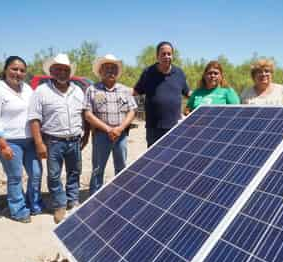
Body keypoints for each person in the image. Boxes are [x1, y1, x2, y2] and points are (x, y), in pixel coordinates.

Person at [0, 56, 43, 223]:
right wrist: (2, 145)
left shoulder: (27, 89)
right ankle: (18, 210)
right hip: (9, 141)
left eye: (22, 70)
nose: (18, 73)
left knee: (36, 173)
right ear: (5, 69)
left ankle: (34, 203)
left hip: (29, 140)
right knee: (15, 176)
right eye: (14, 69)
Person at [28, 53, 87, 223]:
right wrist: (39, 143)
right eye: (58, 69)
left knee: (74, 172)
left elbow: (84, 114)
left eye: (65, 69)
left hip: (74, 140)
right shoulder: (41, 91)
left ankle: (73, 200)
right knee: (54, 176)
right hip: (53, 141)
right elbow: (34, 118)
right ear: (51, 71)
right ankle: (60, 205)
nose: (62, 72)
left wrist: (86, 135)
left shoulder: (78, 90)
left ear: (70, 72)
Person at [84, 54, 137, 195]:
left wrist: (119, 129)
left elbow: (132, 111)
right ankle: (94, 197)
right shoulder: (92, 89)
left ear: (117, 72)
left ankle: (121, 195)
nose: (110, 71)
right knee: (98, 169)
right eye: (106, 68)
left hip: (121, 136)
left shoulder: (125, 90)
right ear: (100, 71)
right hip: (101, 135)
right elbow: (88, 114)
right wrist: (108, 129)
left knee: (121, 167)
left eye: (113, 68)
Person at [134, 41, 190, 147]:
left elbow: (188, 93)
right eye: (163, 54)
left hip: (175, 126)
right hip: (154, 128)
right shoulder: (148, 72)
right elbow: (136, 91)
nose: (166, 56)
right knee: (154, 159)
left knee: (174, 158)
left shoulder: (179, 73)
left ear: (172, 56)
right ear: (157, 56)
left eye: (169, 54)